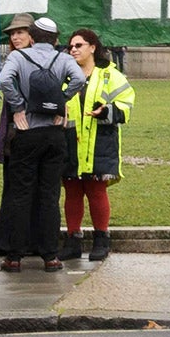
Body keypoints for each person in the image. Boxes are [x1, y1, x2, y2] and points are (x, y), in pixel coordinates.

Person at [0, 14, 85, 271]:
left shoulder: (18, 57)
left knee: (20, 193)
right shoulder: (64, 58)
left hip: (27, 131)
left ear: (32, 37)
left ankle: (14, 256)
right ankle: (50, 255)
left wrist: (19, 105)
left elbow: (4, 81)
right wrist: (61, 100)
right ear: (56, 40)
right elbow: (78, 79)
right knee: (49, 194)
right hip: (54, 133)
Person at [62, 28, 133, 263]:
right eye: (71, 46)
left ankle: (102, 240)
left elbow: (126, 105)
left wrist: (106, 112)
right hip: (70, 142)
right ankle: (73, 240)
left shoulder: (109, 75)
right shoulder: (64, 74)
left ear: (92, 47)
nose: (73, 50)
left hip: (99, 142)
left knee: (95, 191)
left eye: (78, 45)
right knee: (72, 191)